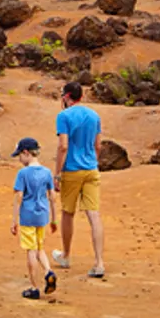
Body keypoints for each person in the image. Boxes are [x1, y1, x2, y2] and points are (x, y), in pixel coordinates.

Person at [53, 81, 107, 278]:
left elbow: (63, 146)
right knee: (94, 214)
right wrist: (93, 162)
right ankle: (99, 262)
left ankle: (66, 255)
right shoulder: (94, 115)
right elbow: (98, 145)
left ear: (67, 97)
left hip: (72, 170)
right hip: (91, 169)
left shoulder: (63, 116)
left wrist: (57, 173)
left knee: (68, 212)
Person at [10, 137, 57, 300]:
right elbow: (52, 196)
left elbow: (19, 197)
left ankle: (34, 287)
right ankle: (48, 271)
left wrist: (14, 220)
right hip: (43, 215)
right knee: (39, 247)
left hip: (28, 216)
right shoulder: (47, 172)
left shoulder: (23, 173)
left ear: (26, 153)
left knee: (30, 250)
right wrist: (54, 219)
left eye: (20, 156)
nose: (20, 160)